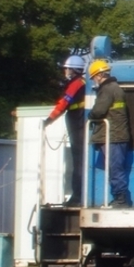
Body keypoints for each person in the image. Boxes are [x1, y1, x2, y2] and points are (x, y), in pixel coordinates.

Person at [88, 59, 133, 207]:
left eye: (94, 77)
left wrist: (90, 116)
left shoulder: (107, 90)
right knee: (114, 167)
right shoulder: (115, 88)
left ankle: (121, 199)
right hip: (116, 134)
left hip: (112, 136)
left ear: (100, 75)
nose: (94, 80)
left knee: (115, 168)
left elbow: (99, 111)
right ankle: (119, 197)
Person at [44, 55, 88, 206]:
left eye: (67, 69)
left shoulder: (76, 84)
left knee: (79, 161)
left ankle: (77, 197)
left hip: (78, 123)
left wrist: (48, 121)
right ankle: (78, 195)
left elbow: (63, 103)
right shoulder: (82, 82)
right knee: (80, 160)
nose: (65, 72)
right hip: (78, 121)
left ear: (73, 70)